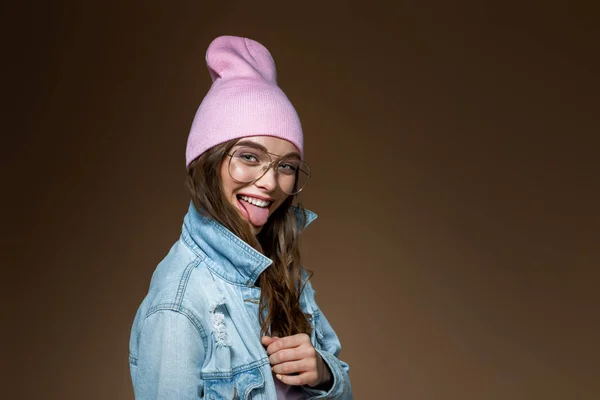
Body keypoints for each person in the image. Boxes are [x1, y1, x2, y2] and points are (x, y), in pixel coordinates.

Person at [129, 35, 353, 399]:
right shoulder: (179, 304)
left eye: (286, 166)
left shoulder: (283, 272)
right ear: (208, 161)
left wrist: (324, 376)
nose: (269, 183)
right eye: (249, 157)